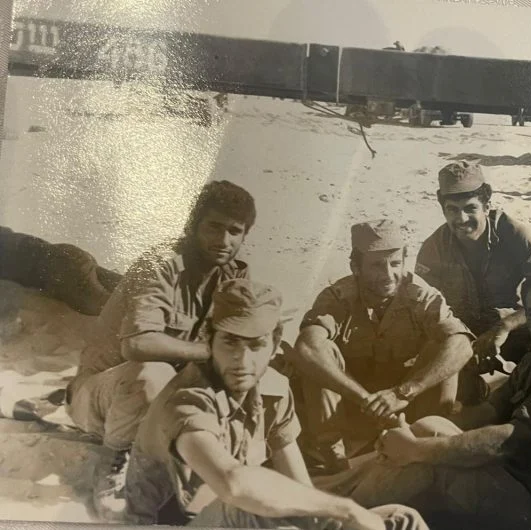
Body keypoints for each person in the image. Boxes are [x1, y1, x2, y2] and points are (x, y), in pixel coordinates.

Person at [329, 267, 531, 530]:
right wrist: (413, 439)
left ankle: (334, 517)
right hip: (524, 478)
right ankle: (331, 494)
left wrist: (417, 450)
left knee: (423, 464)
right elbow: (492, 408)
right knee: (429, 426)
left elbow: (507, 440)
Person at [124, 278, 428, 530]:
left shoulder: (273, 389)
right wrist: (347, 510)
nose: (242, 361)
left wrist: (339, 522)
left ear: (274, 342)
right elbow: (235, 485)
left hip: (234, 517)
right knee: (253, 508)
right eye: (230, 342)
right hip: (171, 525)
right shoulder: (188, 400)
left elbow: (300, 487)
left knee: (400, 519)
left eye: (255, 344)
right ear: (209, 338)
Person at [65, 180, 256, 520]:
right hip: (101, 399)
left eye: (234, 231)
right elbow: (138, 344)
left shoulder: (233, 275)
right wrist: (209, 353)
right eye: (213, 227)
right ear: (193, 224)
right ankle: (112, 466)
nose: (223, 241)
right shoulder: (161, 264)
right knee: (153, 372)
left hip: (162, 404)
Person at [288, 219, 474, 472]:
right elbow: (307, 348)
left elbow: (462, 344)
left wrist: (403, 392)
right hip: (351, 408)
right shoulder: (338, 297)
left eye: (395, 263)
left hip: (402, 407)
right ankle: (332, 456)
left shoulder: (421, 295)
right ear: (356, 266)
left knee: (444, 348)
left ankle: (429, 443)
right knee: (320, 355)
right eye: (376, 265)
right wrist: (367, 400)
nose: (388, 275)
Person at [415, 162, 531, 404]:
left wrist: (506, 326)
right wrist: (459, 341)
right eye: (452, 210)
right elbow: (423, 310)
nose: (461, 219)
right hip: (460, 336)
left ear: (487, 204)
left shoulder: (515, 236)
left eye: (470, 208)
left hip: (509, 331)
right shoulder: (433, 249)